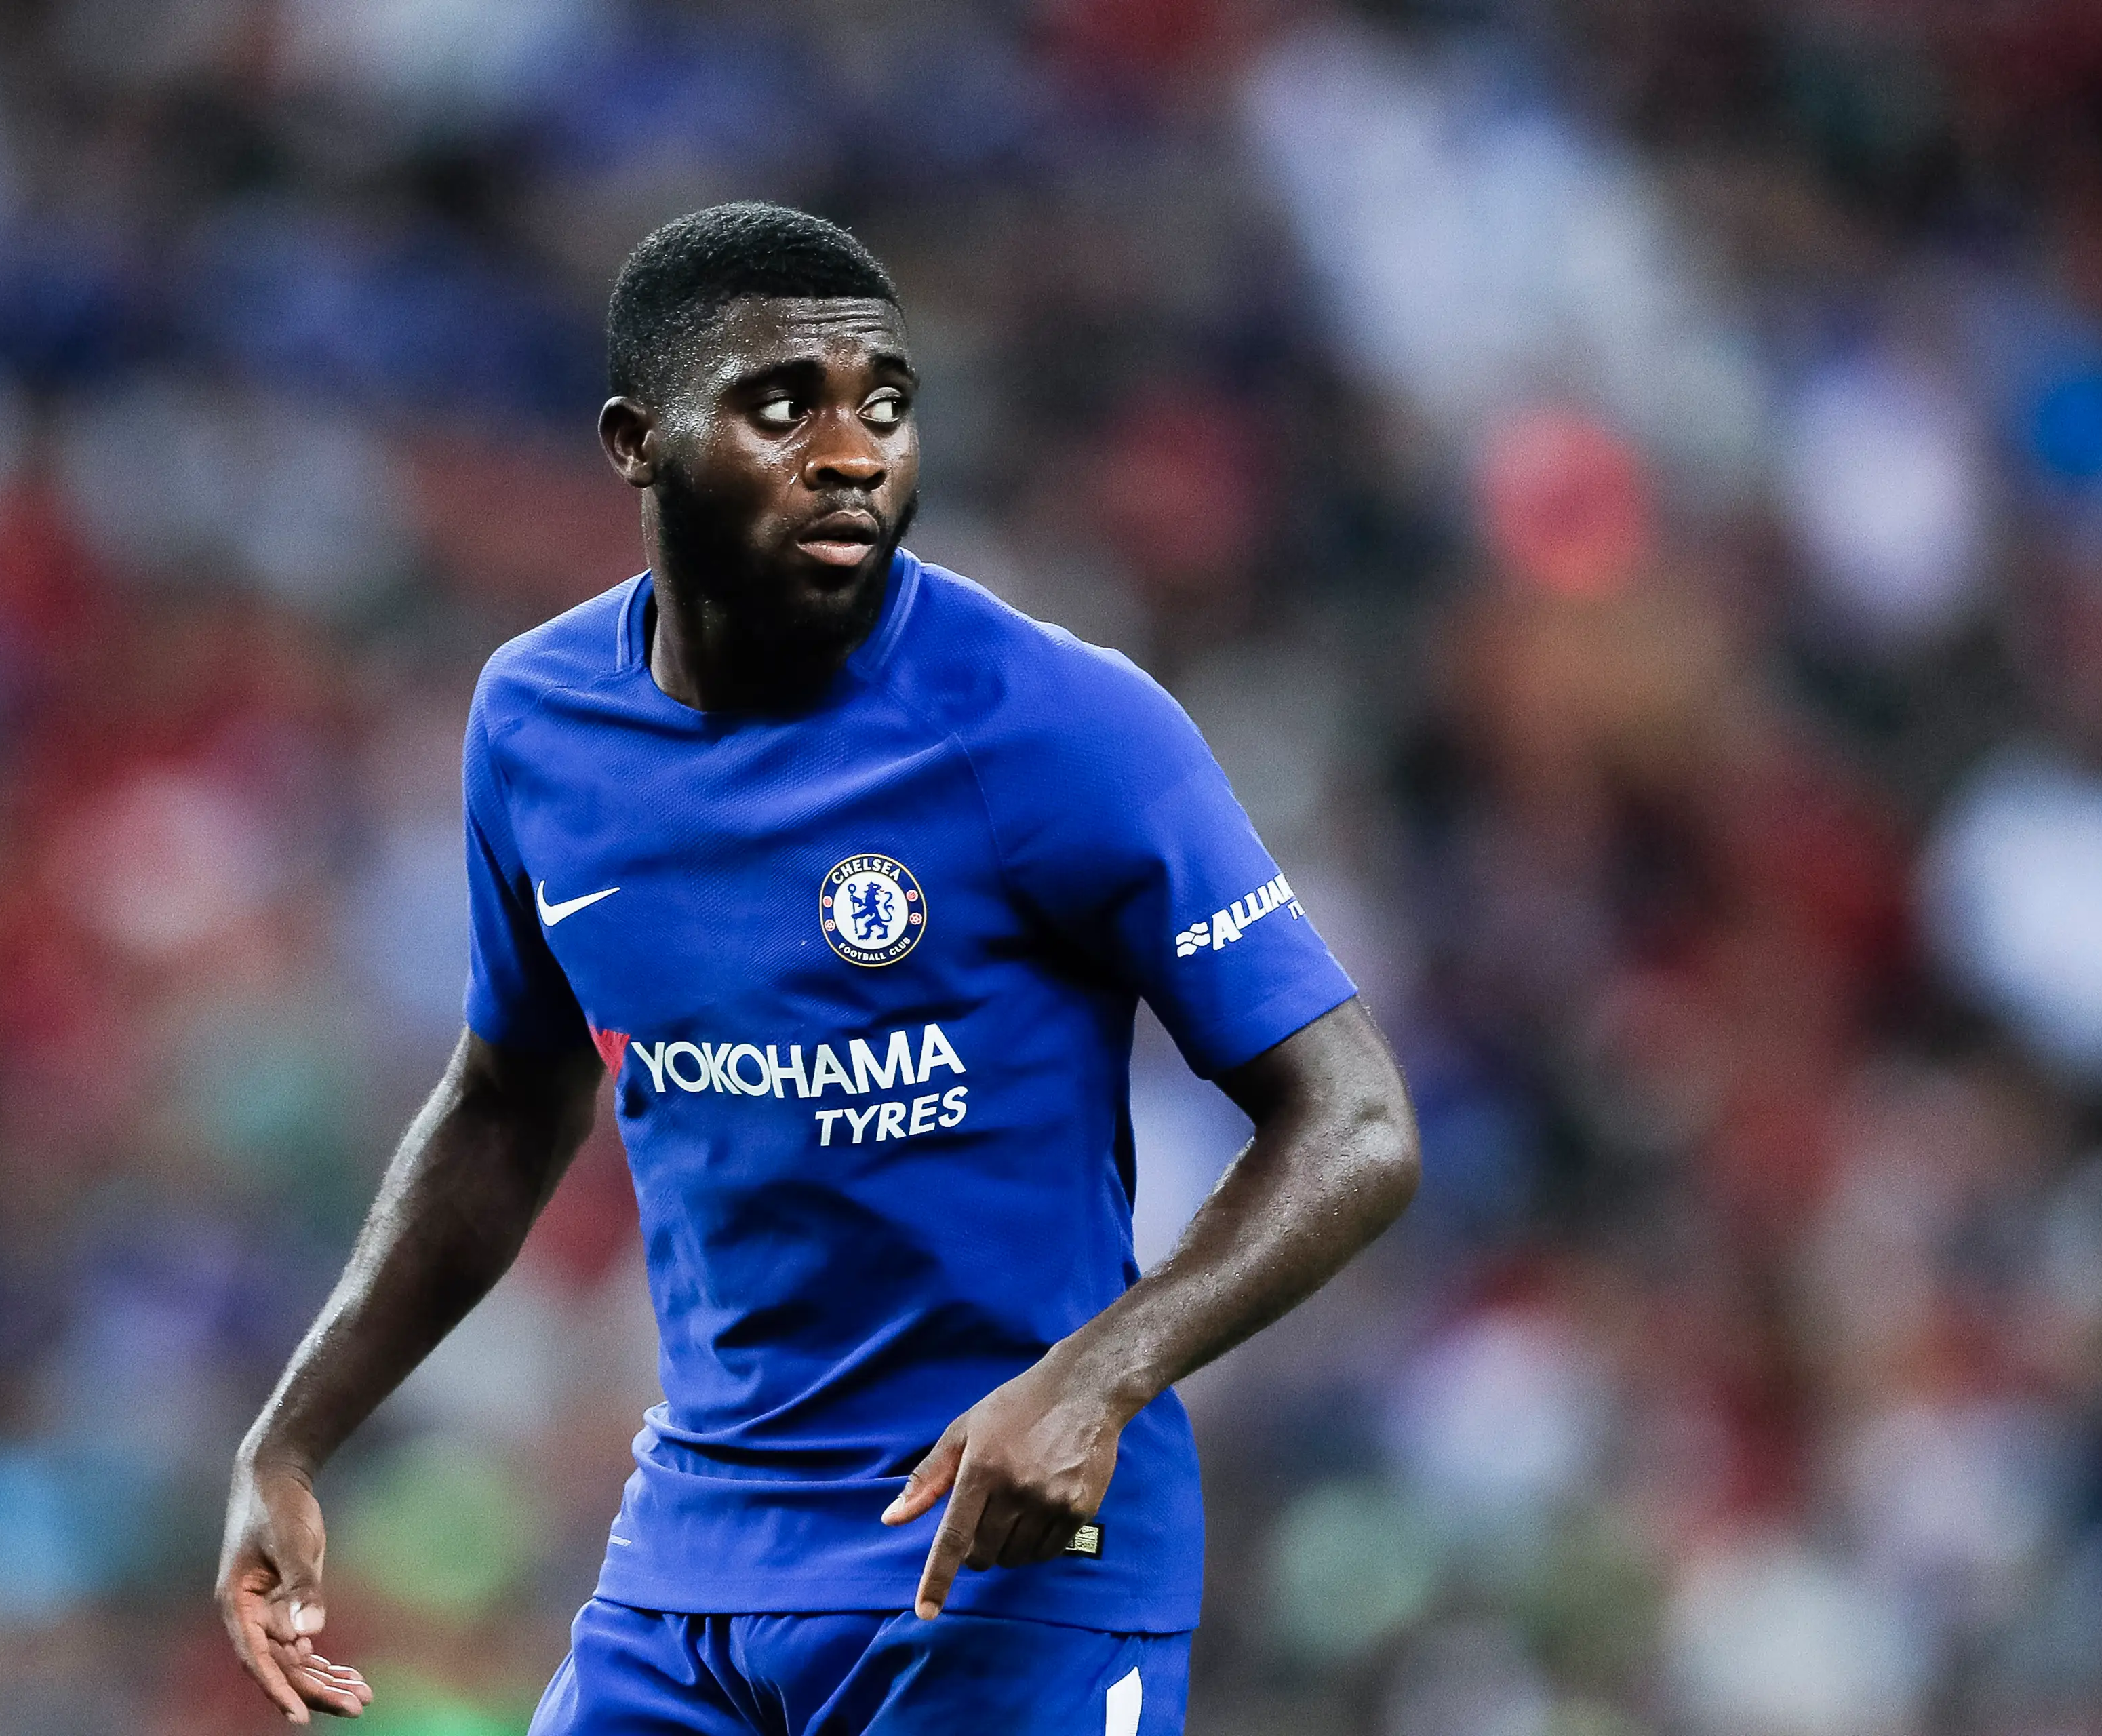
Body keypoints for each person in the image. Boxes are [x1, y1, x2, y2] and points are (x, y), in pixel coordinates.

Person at [214, 201, 1420, 1735]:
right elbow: (508, 1101)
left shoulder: (1054, 724)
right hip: (695, 1558)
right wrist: (293, 1434)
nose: (854, 451)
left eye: (890, 406)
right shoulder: (537, 723)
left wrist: (1099, 1378)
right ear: (635, 441)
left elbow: (1356, 1120)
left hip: (1004, 1557)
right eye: (783, 405)